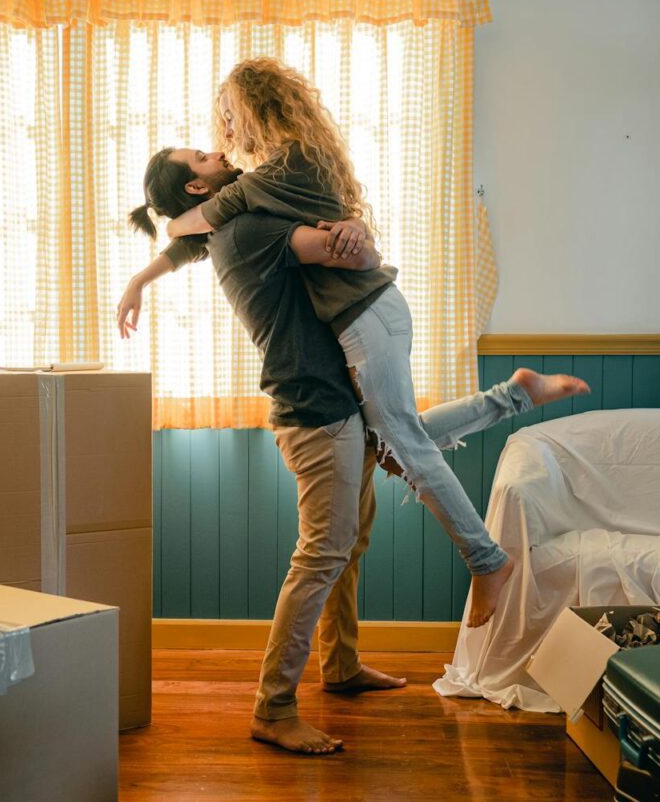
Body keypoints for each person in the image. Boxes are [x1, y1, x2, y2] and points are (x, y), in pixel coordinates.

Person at [119, 148, 587, 754]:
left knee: (360, 525)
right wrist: (349, 232)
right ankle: (273, 707)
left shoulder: (227, 224)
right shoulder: (250, 226)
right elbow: (342, 251)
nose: (221, 151)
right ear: (195, 184)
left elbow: (186, 241)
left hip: (340, 397)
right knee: (322, 554)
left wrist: (138, 279)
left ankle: (339, 666)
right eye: (205, 157)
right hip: (316, 410)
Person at [157, 57, 589, 629]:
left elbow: (216, 214)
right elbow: (210, 225)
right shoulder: (291, 167)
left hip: (366, 317)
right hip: (369, 316)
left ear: (255, 111)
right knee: (394, 442)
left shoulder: (278, 172)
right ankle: (515, 395)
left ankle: (486, 560)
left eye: (229, 121)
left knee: (403, 442)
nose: (224, 137)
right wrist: (147, 272)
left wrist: (170, 226)